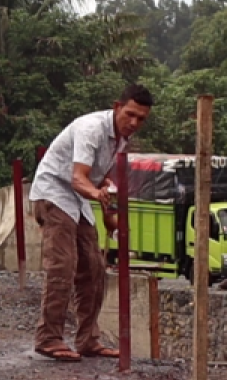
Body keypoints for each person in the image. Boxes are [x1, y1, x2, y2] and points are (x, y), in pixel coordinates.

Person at [29, 84, 154, 361]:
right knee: (63, 264)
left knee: (95, 267)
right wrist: (98, 194)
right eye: (130, 115)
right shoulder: (92, 128)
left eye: (141, 119)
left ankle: (88, 339)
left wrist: (110, 218)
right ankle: (48, 338)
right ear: (117, 106)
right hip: (54, 192)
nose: (134, 123)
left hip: (78, 199)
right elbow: (79, 177)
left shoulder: (120, 139)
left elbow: (101, 182)